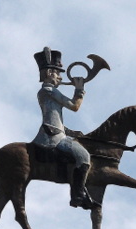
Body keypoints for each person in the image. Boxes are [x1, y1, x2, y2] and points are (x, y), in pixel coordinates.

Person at [32, 47, 98, 210]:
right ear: (49, 73)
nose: (60, 77)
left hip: (58, 132)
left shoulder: (48, 92)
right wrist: (79, 89)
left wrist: (69, 131)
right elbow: (74, 106)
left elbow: (54, 117)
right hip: (52, 137)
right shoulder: (49, 91)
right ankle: (77, 196)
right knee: (84, 156)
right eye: (58, 73)